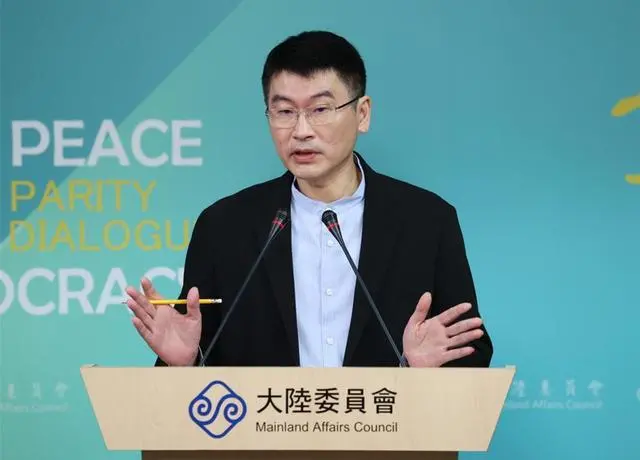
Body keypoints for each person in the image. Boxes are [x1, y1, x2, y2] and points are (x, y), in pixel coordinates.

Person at [125, 30, 493, 368]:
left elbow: (470, 350)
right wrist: (184, 363)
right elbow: (198, 373)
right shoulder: (223, 227)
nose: (301, 131)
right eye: (285, 111)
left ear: (362, 113)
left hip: (387, 421)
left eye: (320, 110)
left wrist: (422, 370)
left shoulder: (427, 221)